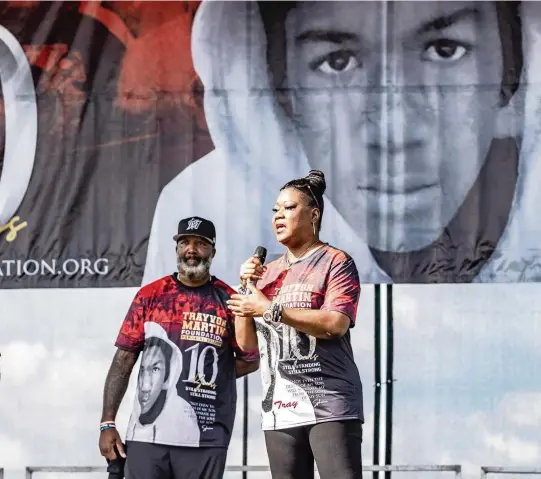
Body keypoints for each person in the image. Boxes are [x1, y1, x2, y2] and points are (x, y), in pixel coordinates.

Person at [142, 1, 541, 286]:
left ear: (513, 69)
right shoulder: (208, 209)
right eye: (337, 62)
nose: (394, 131)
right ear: (277, 91)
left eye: (445, 50)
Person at [98, 215, 260, 479]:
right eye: (185, 242)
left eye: (200, 243)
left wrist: (209, 373)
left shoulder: (230, 300)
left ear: (213, 251)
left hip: (206, 436)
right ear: (176, 248)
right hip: (147, 435)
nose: (192, 250)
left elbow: (250, 359)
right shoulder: (150, 295)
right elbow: (123, 360)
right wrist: (107, 423)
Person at [227, 170, 364, 479]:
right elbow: (248, 345)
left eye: (288, 208)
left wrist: (271, 308)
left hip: (330, 401)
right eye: (276, 209)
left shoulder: (335, 261)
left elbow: (335, 324)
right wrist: (246, 287)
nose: (279, 215)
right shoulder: (268, 272)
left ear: (313, 214)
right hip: (280, 407)